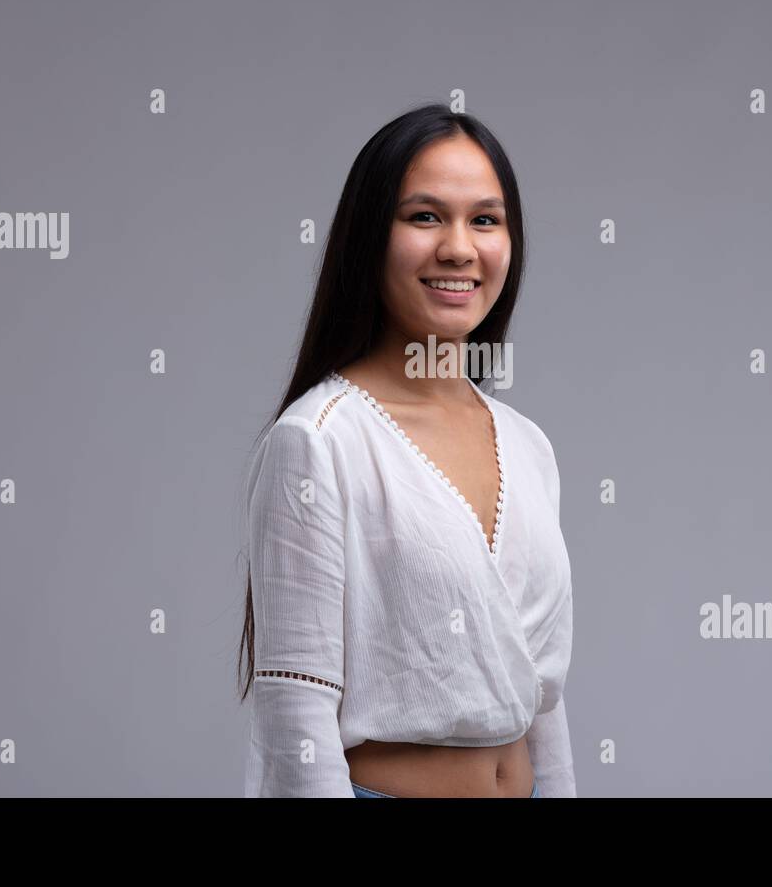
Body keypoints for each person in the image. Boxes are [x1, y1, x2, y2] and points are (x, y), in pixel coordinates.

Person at [237, 103, 575, 798]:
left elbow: (541, 697)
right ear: (369, 239)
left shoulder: (528, 445)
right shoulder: (320, 441)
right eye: (424, 217)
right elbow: (294, 713)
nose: (459, 248)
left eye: (485, 219)